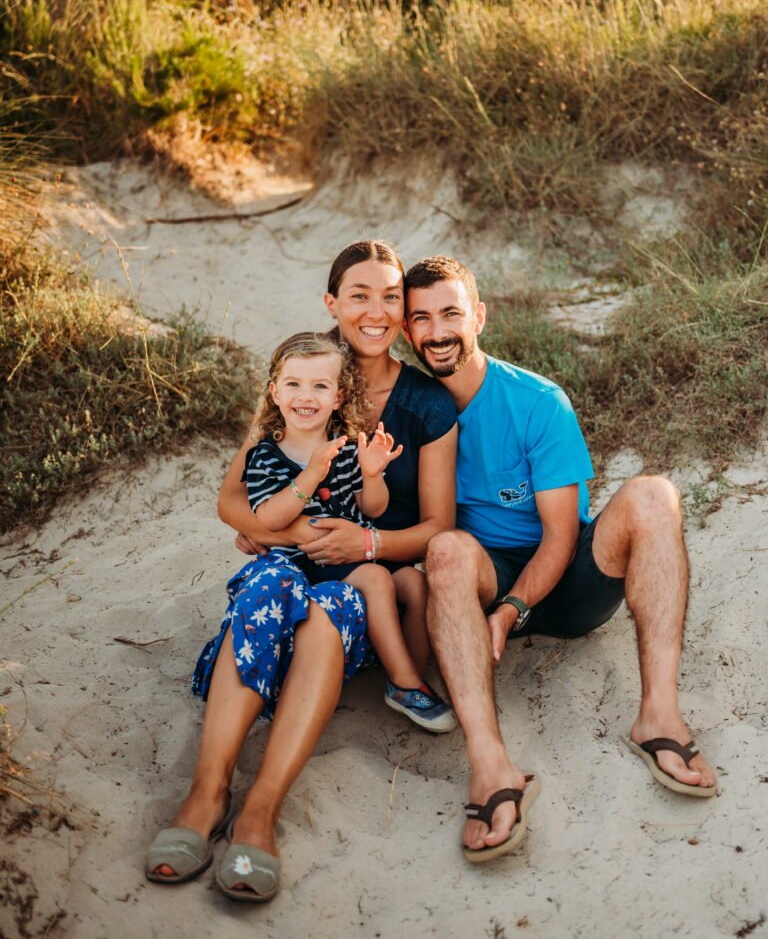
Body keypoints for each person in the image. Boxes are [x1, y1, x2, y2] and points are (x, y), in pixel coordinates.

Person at [146, 241, 457, 899]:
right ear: (332, 304)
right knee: (267, 585)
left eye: (390, 297)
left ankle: (260, 811)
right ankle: (206, 794)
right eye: (359, 296)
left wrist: (364, 545)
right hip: (289, 563)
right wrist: (286, 533)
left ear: (404, 310)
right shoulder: (304, 370)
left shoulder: (426, 404)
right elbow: (233, 502)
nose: (376, 312)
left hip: (363, 579)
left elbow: (438, 526)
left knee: (325, 614)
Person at [400, 254, 717, 864]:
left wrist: (514, 608)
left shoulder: (536, 401)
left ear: (478, 317)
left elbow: (559, 536)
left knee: (653, 495)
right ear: (407, 331)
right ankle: (491, 767)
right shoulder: (410, 412)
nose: (438, 331)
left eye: (451, 313)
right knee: (446, 549)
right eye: (422, 318)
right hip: (477, 580)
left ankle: (659, 716)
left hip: (565, 581)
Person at [223, 330, 454, 732]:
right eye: (294, 385)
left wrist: (371, 474)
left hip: (356, 552)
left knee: (416, 585)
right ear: (274, 393)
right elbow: (270, 519)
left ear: (338, 397)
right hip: (309, 561)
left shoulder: (344, 447)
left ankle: (406, 677)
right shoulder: (265, 456)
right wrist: (311, 475)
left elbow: (372, 508)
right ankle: (405, 683)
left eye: (319, 387)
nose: (306, 396)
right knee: (376, 580)